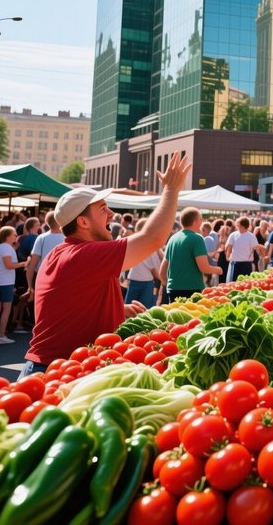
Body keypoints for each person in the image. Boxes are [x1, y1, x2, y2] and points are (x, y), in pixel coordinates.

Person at [21, 152, 192, 377]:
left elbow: (71, 302)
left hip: (56, 367)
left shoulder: (62, 252)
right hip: (57, 370)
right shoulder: (84, 254)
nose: (112, 214)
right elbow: (154, 238)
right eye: (103, 209)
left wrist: (116, 310)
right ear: (82, 222)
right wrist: (171, 190)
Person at [162, 207, 223, 301]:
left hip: (173, 289)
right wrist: (218, 270)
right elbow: (204, 268)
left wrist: (168, 284)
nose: (201, 222)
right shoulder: (197, 238)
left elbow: (162, 271)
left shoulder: (173, 238)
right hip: (191, 290)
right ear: (195, 221)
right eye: (200, 219)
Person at [0, 226, 28, 345]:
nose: (16, 236)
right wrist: (25, 263)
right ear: (7, 236)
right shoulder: (6, 248)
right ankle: (1, 335)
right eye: (14, 235)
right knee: (6, 310)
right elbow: (9, 265)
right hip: (5, 283)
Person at [124, 218, 162, 308]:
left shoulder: (134, 243)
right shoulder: (149, 245)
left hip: (133, 280)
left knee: (130, 307)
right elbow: (154, 269)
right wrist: (162, 280)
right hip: (146, 282)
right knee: (144, 309)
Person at [225, 217, 259, 282]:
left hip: (247, 264)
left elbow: (255, 248)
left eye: (238, 224)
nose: (237, 225)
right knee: (234, 284)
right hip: (235, 264)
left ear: (242, 226)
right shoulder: (233, 235)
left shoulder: (251, 236)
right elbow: (229, 247)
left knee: (245, 284)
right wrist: (228, 257)